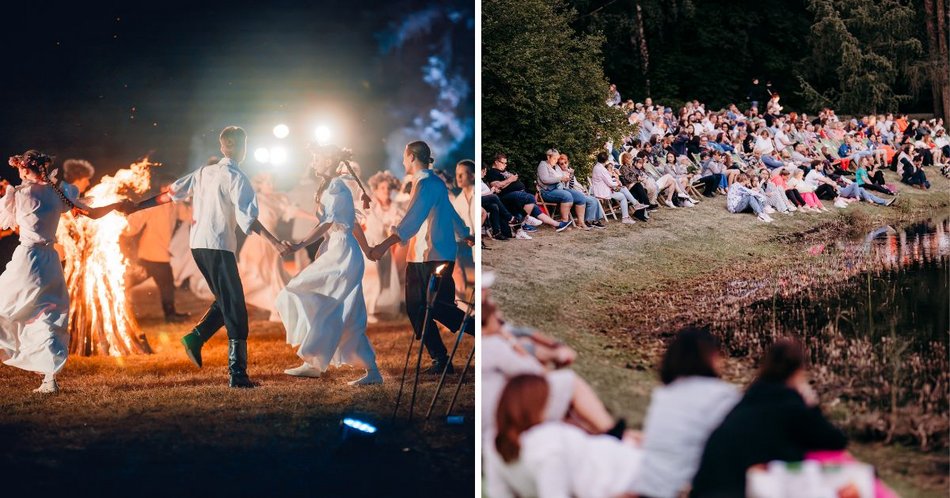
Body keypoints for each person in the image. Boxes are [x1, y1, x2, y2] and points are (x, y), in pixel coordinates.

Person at [123, 126, 288, 388]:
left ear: (222, 147)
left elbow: (169, 194)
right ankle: (237, 374)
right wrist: (276, 243)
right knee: (235, 308)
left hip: (198, 246)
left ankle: (197, 338)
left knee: (227, 301)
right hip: (219, 246)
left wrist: (137, 207)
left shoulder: (203, 172)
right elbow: (249, 219)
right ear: (243, 148)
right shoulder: (237, 176)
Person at [0, 150, 127, 393]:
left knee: (8, 306)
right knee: (48, 315)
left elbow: (13, 225)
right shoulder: (58, 193)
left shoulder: (18, 194)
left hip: (27, 258)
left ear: (26, 169)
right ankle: (49, 378)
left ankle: (32, 362)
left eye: (19, 168)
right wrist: (117, 205)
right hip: (49, 260)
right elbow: (93, 214)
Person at [276, 145, 382, 385]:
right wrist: (366, 250)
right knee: (342, 312)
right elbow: (352, 222)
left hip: (342, 254)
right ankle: (365, 372)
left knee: (307, 294)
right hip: (339, 251)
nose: (313, 162)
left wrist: (298, 245)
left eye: (317, 158)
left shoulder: (336, 188)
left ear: (331, 162)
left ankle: (315, 361)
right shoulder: (332, 187)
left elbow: (329, 223)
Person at [690, 339, 849, 497]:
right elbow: (835, 440)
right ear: (798, 372)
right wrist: (811, 404)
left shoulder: (748, 401)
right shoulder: (791, 407)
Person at [368, 141, 475, 374]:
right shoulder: (430, 183)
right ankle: (441, 359)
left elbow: (411, 223)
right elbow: (449, 212)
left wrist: (382, 247)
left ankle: (481, 330)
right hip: (424, 256)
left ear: (412, 157)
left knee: (437, 308)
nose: (403, 161)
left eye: (405, 157)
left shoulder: (426, 184)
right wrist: (466, 234)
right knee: (420, 308)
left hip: (431, 257)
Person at [486, 374, 645, 498]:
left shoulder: (493, 441)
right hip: (624, 475)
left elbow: (498, 492)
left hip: (627, 471)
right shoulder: (547, 445)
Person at [632, 328, 741, 498]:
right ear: (711, 356)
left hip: (650, 487)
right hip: (685, 489)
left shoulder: (665, 394)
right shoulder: (720, 395)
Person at [238, 172, 315, 322]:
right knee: (255, 273)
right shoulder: (255, 199)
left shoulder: (279, 199)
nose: (271, 186)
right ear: (259, 185)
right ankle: (263, 305)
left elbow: (293, 211)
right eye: (268, 183)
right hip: (256, 241)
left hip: (272, 242)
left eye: (273, 182)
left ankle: (277, 309)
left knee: (275, 274)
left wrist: (314, 217)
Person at [124, 174, 191, 322]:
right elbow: (136, 220)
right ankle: (170, 315)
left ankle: (171, 314)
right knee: (166, 284)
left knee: (135, 280)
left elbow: (189, 216)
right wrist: (124, 228)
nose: (174, 190)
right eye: (170, 187)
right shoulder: (154, 204)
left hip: (159, 253)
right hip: (151, 253)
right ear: (162, 189)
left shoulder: (176, 205)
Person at [484, 152, 571, 233]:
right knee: (529, 198)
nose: (505, 165)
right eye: (503, 163)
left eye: (506, 163)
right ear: (496, 162)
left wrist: (511, 180)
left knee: (535, 208)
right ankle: (523, 224)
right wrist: (510, 179)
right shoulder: (492, 172)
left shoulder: (503, 171)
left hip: (517, 194)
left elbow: (506, 183)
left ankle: (558, 225)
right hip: (505, 196)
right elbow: (496, 185)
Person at [362, 170, 406, 321]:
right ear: (375, 190)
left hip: (385, 247)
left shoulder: (396, 209)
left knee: (386, 277)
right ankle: (369, 308)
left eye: (388, 188)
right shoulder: (369, 206)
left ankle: (382, 308)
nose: (386, 191)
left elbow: (400, 225)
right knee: (372, 277)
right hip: (369, 244)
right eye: (382, 188)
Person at [590, 152, 645, 224]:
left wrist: (616, 183)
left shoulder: (597, 167)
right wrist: (617, 183)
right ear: (606, 160)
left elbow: (608, 181)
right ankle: (631, 209)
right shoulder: (602, 169)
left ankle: (633, 207)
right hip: (602, 191)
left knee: (623, 191)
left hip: (602, 189)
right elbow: (610, 183)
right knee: (623, 193)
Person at [451, 159, 476, 302]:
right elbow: (456, 227)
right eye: (457, 174)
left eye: (462, 174)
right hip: (470, 245)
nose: (458, 178)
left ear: (472, 176)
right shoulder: (458, 201)